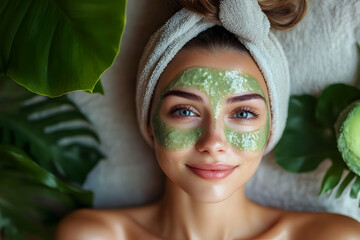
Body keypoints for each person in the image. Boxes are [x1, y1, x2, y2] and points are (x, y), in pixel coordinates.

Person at [55, 0, 360, 239]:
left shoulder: (331, 237)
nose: (213, 142)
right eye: (185, 111)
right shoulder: (93, 236)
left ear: (271, 128)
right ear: (150, 121)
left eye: (243, 113)